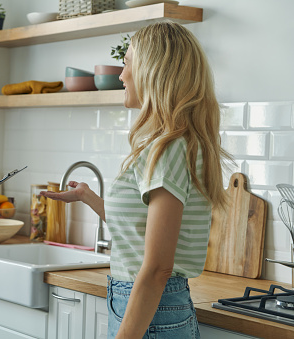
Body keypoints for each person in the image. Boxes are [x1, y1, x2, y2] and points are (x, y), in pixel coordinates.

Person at [41, 21, 231, 339]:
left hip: (152, 308)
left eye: (126, 62)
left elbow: (157, 268)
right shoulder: (169, 143)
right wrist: (88, 196)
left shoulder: (168, 148)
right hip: (148, 306)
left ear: (151, 70)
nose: (121, 75)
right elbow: (142, 233)